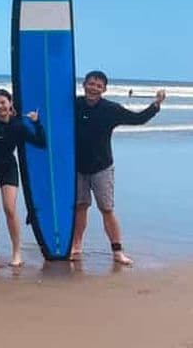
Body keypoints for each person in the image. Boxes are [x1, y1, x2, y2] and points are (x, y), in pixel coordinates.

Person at [70, 70, 166, 265]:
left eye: (98, 85)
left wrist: (156, 105)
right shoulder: (74, 105)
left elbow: (138, 119)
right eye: (91, 83)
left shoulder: (111, 109)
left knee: (106, 209)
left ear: (104, 89)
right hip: (78, 167)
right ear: (84, 85)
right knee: (80, 207)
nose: (94, 88)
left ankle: (117, 251)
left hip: (102, 168)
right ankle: (76, 246)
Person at [0, 89, 46, 267]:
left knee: (9, 208)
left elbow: (41, 142)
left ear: (10, 103)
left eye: (3, 102)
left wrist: (37, 122)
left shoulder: (18, 126)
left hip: (8, 167)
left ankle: (17, 252)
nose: (0, 106)